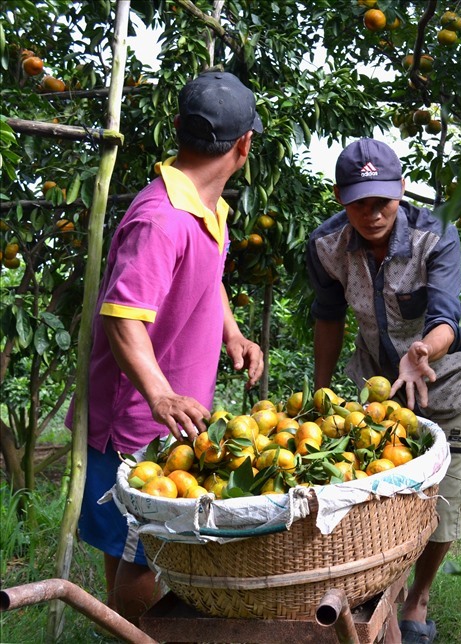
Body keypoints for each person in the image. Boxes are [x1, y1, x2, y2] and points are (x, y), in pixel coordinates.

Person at [71, 70, 265, 624]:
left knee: (139, 550)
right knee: (139, 556)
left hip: (163, 416)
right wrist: (159, 395)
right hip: (132, 421)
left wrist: (232, 332)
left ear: (178, 128)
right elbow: (123, 319)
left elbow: (206, 274)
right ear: (244, 146)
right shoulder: (161, 219)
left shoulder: (206, 207)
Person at [307, 138, 461, 644]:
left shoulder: (436, 235)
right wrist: (321, 393)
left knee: (440, 499)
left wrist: (423, 351)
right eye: (359, 203)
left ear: (401, 191)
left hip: (443, 383)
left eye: (381, 201)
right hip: (377, 389)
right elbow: (328, 315)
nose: (372, 213)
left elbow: (447, 314)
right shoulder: (326, 245)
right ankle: (382, 589)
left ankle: (418, 598)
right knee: (377, 492)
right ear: (341, 198)